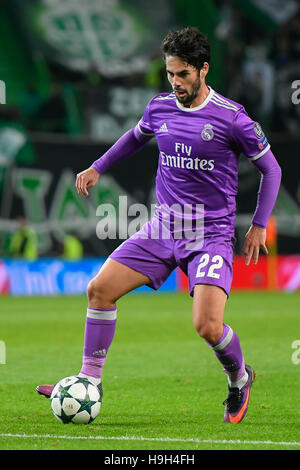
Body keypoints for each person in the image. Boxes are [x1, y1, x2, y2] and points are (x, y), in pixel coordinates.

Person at [37, 27, 281, 423]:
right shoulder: (160, 108)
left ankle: (239, 376)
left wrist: (257, 225)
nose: (175, 82)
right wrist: (98, 166)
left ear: (203, 69)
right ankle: (88, 381)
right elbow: (135, 138)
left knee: (207, 325)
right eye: (170, 74)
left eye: (183, 74)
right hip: (163, 228)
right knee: (99, 290)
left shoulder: (232, 119)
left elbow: (271, 169)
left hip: (210, 234)